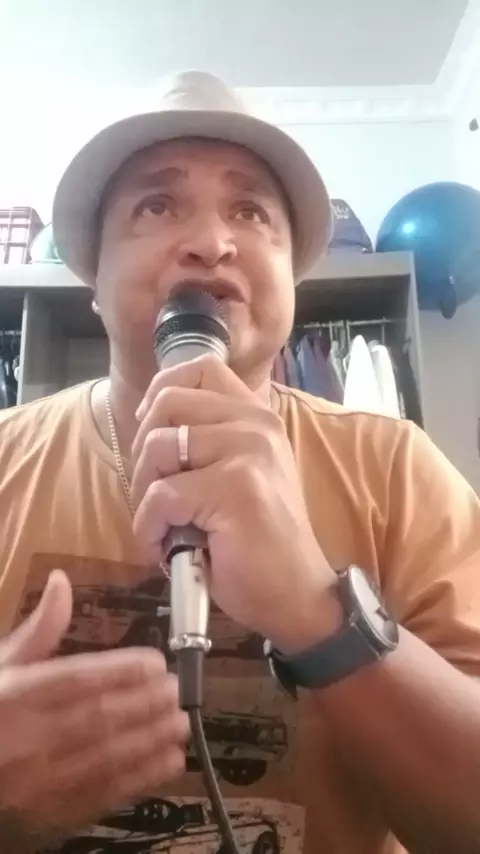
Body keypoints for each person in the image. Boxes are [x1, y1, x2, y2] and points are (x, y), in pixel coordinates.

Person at [0, 70, 479, 854]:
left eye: (251, 211)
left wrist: (319, 613)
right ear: (92, 280)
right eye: (157, 205)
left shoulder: (398, 469)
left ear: (290, 282)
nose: (211, 241)